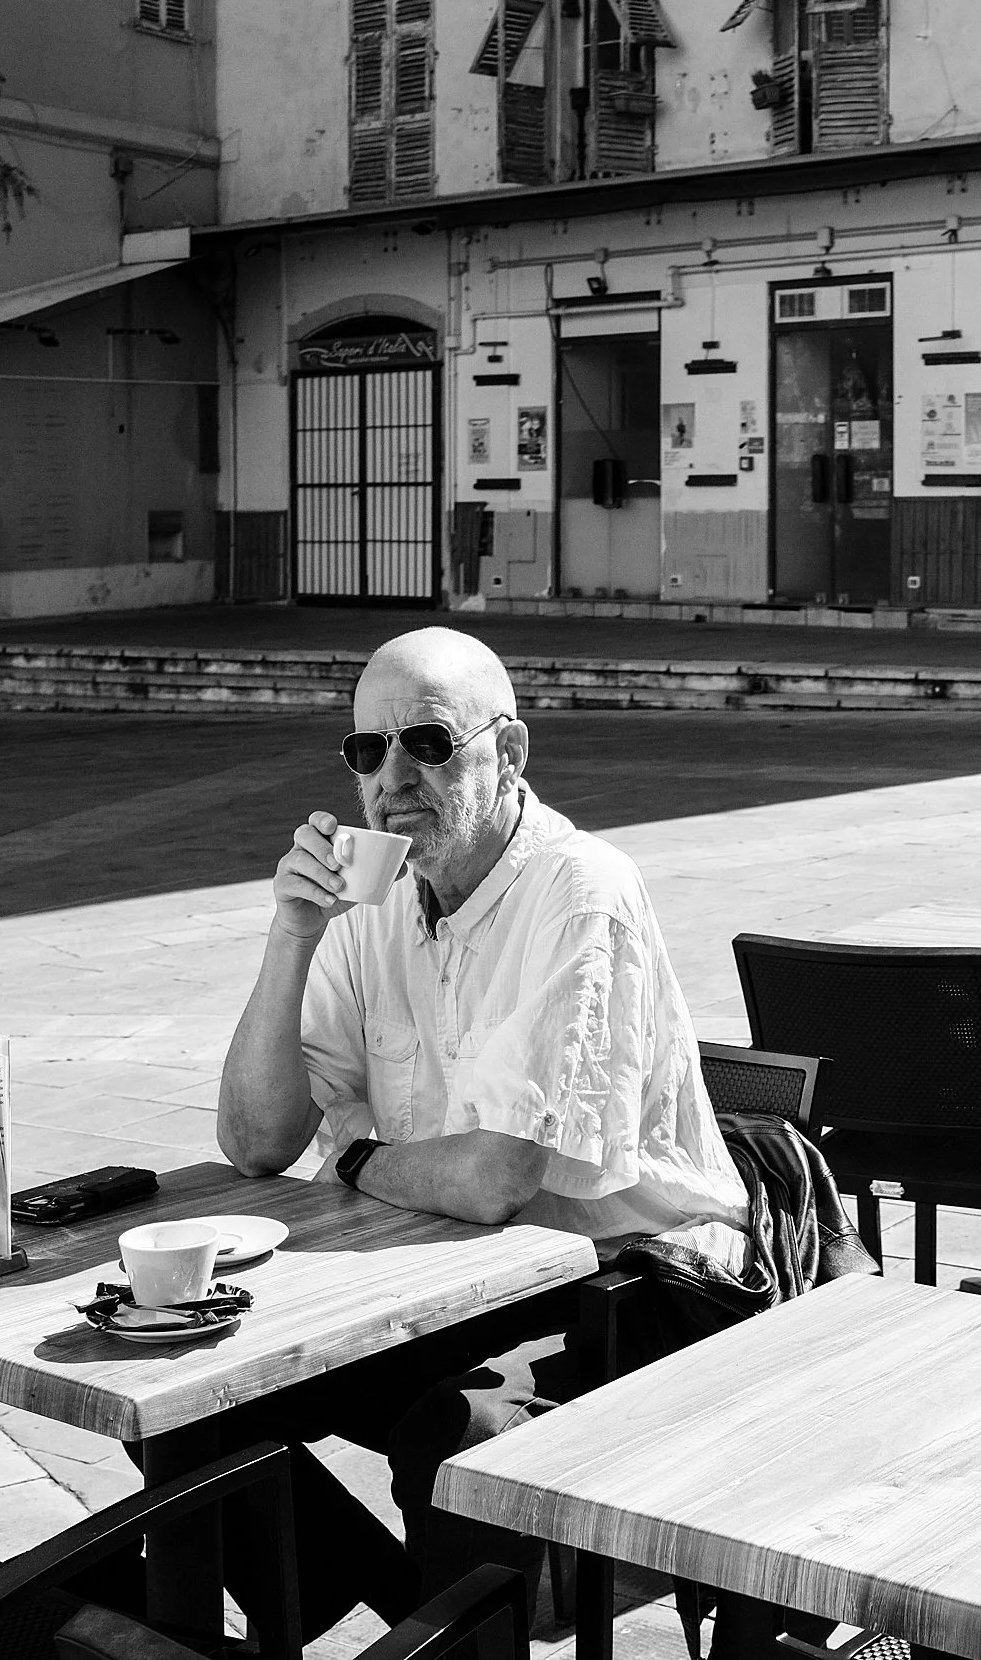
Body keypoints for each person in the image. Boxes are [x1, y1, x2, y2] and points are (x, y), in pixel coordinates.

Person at [206, 626, 750, 1639]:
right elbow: (255, 1141)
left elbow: (495, 1177)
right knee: (202, 1397)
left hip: (640, 1285)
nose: (393, 775)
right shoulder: (370, 893)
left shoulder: (578, 884)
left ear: (511, 751)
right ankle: (418, 1616)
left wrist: (360, 1157)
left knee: (458, 1437)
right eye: (366, 749)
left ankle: (457, 1621)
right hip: (453, 1278)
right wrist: (291, 936)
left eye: (427, 740)